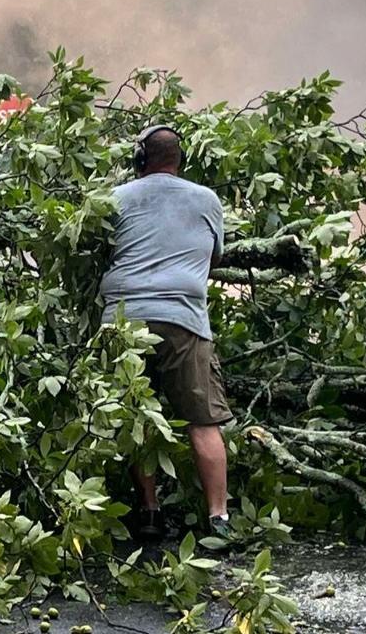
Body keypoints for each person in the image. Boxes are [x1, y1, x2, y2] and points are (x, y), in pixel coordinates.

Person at [101, 124, 232, 543]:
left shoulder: (114, 199)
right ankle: (219, 519)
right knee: (202, 421)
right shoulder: (207, 200)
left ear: (139, 159)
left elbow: (97, 258)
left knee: (136, 416)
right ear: (181, 159)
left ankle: (150, 513)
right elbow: (210, 262)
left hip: (124, 319)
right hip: (184, 320)